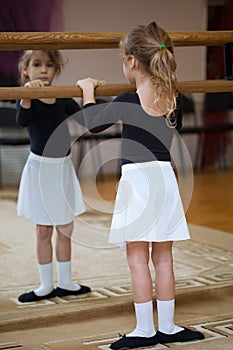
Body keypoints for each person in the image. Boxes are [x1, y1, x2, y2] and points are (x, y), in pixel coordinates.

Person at [77, 22, 204, 349]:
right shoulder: (175, 98)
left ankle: (145, 330)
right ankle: (170, 326)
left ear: (132, 61)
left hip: (137, 181)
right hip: (165, 178)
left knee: (137, 258)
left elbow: (93, 123)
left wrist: (88, 90)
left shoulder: (127, 100)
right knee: (163, 257)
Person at [16, 49, 91, 303]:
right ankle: (45, 285)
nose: (44, 70)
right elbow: (22, 119)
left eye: (49, 65)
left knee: (66, 228)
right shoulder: (28, 97)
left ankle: (66, 282)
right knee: (43, 230)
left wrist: (89, 91)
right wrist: (27, 94)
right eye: (37, 65)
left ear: (56, 70)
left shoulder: (60, 98)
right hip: (40, 170)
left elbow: (82, 117)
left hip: (62, 169)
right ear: (26, 70)